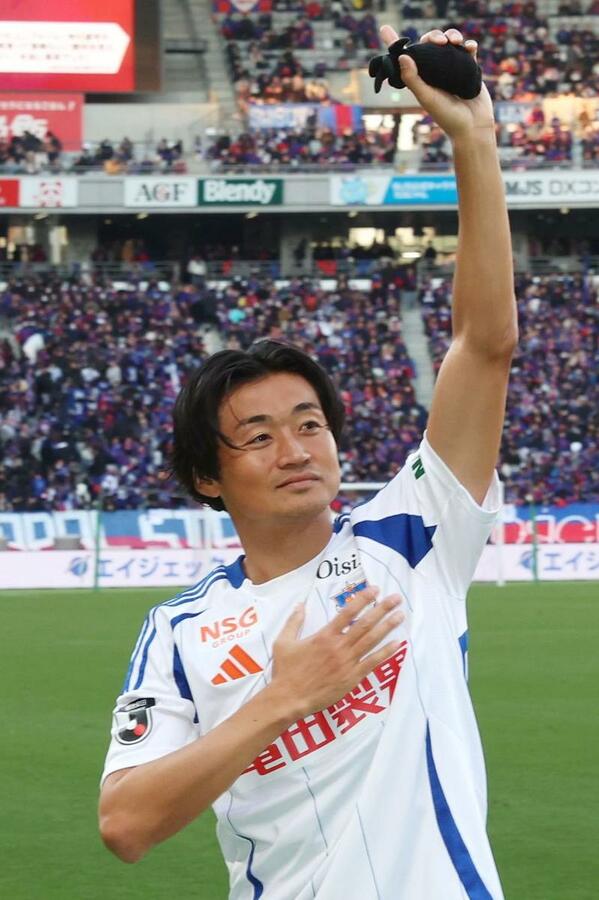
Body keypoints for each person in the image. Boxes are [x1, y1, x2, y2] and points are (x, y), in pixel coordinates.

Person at [99, 25, 517, 900]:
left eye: (308, 424)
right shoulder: (180, 631)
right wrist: (283, 699)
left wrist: (473, 140)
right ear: (206, 477)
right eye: (257, 436)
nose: (294, 450)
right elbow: (126, 825)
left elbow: (483, 347)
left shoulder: (412, 538)